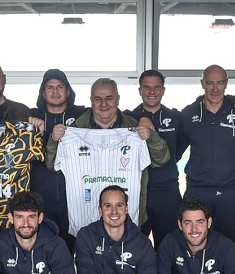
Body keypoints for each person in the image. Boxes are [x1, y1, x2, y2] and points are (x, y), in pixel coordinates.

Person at [45, 78, 169, 237]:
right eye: (98, 99)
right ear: (91, 101)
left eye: (109, 98)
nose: (103, 104)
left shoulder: (136, 130)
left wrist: (150, 137)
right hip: (85, 222)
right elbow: (52, 165)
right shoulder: (73, 131)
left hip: (127, 222)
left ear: (118, 99)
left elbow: (161, 160)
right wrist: (54, 140)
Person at [180, 65, 235, 246]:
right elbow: (173, 153)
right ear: (202, 83)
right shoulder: (189, 114)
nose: (215, 89)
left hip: (229, 193)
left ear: (226, 83)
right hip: (197, 191)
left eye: (219, 83)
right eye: (209, 83)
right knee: (194, 244)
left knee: (229, 245)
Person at [129, 69, 187, 246]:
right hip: (137, 193)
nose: (152, 92)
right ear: (140, 90)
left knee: (169, 246)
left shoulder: (176, 117)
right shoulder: (129, 118)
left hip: (167, 193)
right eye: (147, 87)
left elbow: (177, 152)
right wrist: (143, 117)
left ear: (163, 90)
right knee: (135, 246)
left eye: (156, 87)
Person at [30, 68, 86, 248]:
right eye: (50, 87)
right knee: (42, 251)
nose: (55, 91)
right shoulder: (31, 117)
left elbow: (108, 111)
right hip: (40, 197)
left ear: (68, 92)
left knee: (71, 250)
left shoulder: (83, 115)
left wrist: (143, 119)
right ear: (43, 93)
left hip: (73, 199)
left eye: (60, 87)